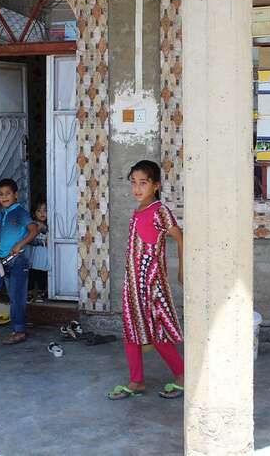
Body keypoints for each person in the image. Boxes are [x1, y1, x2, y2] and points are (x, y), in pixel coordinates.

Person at [108, 160, 185, 401]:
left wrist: (183, 268)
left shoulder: (159, 210)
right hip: (133, 284)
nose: (137, 188)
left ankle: (183, 375)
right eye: (134, 183)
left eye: (143, 183)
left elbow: (179, 236)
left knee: (159, 330)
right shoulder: (139, 210)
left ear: (156, 185)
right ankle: (136, 381)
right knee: (132, 330)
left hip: (153, 282)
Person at [0, 178, 38, 345]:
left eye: (7, 194)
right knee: (13, 297)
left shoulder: (20, 212)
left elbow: (33, 231)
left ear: (15, 195)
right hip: (4, 261)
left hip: (18, 260)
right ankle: (18, 326)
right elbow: (4, 235)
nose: (4, 197)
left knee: (17, 297)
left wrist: (20, 244)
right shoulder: (4, 214)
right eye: (1, 194)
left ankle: (19, 331)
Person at [27, 201, 49, 303]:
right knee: (32, 274)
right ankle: (30, 293)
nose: (42, 213)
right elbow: (29, 240)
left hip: (45, 256)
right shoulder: (33, 225)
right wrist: (38, 231)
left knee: (43, 274)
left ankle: (41, 292)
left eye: (45, 210)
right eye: (39, 211)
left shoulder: (51, 226)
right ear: (34, 213)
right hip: (34, 255)